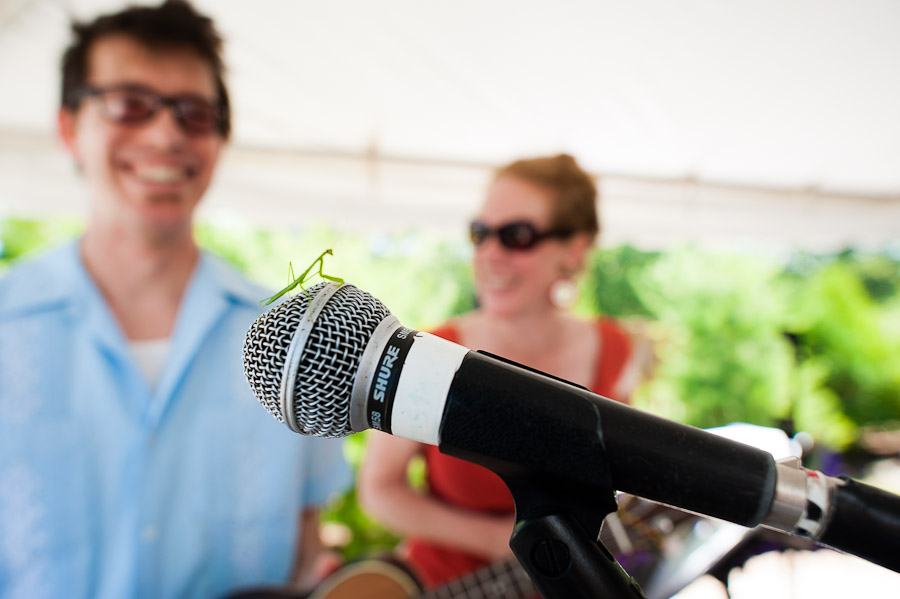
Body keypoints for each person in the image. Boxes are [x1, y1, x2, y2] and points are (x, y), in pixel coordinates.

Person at [0, 2, 350, 598]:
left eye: (194, 113)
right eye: (129, 105)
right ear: (68, 127)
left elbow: (305, 542)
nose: (165, 135)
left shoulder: (297, 340)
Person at [357, 153, 639, 590]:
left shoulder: (613, 349)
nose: (489, 254)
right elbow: (379, 490)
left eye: (516, 235)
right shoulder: (427, 353)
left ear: (574, 249)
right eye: (480, 233)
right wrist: (498, 540)